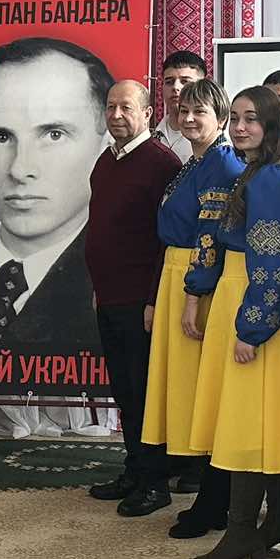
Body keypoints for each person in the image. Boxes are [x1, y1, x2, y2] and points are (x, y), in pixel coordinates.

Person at [0, 38, 111, 379]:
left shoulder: (116, 275)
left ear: (106, 145)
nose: (19, 169)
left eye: (54, 134)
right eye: (0, 137)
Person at [186, 86, 280, 559]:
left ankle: (242, 532)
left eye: (251, 118)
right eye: (234, 117)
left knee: (247, 422)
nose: (238, 127)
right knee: (257, 419)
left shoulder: (271, 177)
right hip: (242, 296)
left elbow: (273, 258)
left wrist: (252, 328)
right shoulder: (256, 172)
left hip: (255, 304)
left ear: (272, 125)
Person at [143, 79, 244, 533]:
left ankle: (213, 499)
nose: (187, 119)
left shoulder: (220, 163)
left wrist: (193, 297)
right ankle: (207, 492)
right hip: (177, 274)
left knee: (202, 392)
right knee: (187, 390)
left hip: (197, 281)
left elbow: (209, 238)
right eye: (183, 110)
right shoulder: (196, 160)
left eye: (199, 111)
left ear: (220, 118)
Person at [81, 80, 181, 512]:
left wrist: (154, 299)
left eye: (126, 107)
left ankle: (155, 483)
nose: (117, 115)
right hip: (110, 295)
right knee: (124, 390)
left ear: (147, 113)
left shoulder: (161, 163)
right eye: (111, 107)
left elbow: (166, 240)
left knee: (145, 393)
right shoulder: (106, 160)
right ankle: (135, 470)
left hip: (141, 301)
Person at [155, 51, 207, 162]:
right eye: (169, 82)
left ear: (203, 87)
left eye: (185, 81)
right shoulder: (152, 134)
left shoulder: (210, 139)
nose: (176, 87)